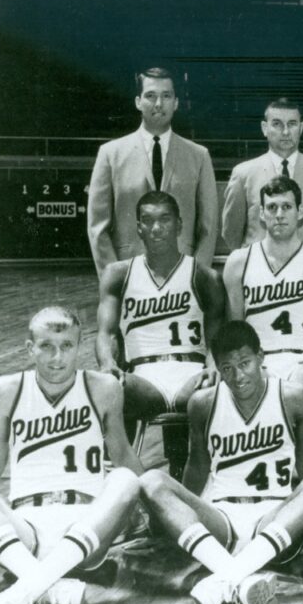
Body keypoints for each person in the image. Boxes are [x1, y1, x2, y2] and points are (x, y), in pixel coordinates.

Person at [139, 321, 303, 604]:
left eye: (245, 363)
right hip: (221, 521)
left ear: (261, 357)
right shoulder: (203, 404)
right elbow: (196, 467)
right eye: (227, 368)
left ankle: (221, 580)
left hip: (275, 518)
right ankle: (239, 579)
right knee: (151, 481)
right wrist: (169, 514)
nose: (238, 375)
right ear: (218, 369)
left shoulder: (294, 396)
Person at [0, 307, 143, 604]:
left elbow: (123, 453)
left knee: (126, 479)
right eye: (46, 346)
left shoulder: (104, 388)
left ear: (80, 346)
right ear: (30, 348)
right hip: (24, 531)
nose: (57, 357)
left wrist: (150, 507)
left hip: (85, 524)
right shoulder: (6, 390)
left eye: (66, 346)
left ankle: (27, 588)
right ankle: (54, 589)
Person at [95, 191, 226, 471]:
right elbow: (105, 333)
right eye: (148, 221)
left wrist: (214, 366)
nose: (156, 228)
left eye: (165, 219)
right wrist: (107, 364)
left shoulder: (204, 276)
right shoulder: (118, 274)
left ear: (179, 225)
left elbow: (217, 336)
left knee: (220, 391)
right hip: (143, 377)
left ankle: (199, 480)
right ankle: (122, 484)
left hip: (191, 373)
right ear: (138, 227)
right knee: (107, 387)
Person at [222, 176, 303, 463]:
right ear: (261, 215)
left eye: (286, 207)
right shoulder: (239, 261)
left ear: (300, 212)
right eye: (271, 208)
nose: (279, 214)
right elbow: (234, 329)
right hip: (257, 359)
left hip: (301, 357)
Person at [87, 66, 218, 275]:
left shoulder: (199, 156)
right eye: (151, 96)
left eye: (166, 96)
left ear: (175, 103)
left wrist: (197, 277)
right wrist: (114, 279)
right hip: (129, 274)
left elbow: (208, 228)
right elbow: (98, 229)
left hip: (184, 276)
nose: (159, 103)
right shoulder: (110, 154)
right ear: (138, 102)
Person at [221, 98, 303, 252]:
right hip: (260, 270)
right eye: (277, 124)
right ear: (264, 128)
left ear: (301, 128)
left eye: (292, 124)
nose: (285, 131)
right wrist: (252, 260)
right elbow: (231, 231)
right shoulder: (243, 174)